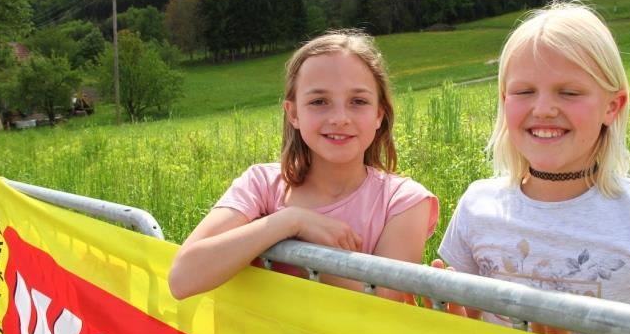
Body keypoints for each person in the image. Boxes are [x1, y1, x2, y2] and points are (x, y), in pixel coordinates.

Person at [436, 2, 630, 334]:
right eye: (524, 91)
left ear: (612, 106)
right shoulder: (477, 207)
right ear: (504, 101)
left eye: (569, 92)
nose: (543, 109)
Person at [169, 30, 438, 301]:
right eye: (319, 102)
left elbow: (383, 312)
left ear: (379, 114)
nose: (340, 118)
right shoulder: (260, 185)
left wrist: (311, 252)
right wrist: (290, 221)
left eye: (358, 101)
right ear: (294, 113)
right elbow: (182, 278)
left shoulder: (403, 202)